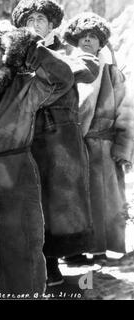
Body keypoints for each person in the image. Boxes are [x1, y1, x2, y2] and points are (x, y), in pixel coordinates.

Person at [0, 21, 75, 298]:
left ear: (5, 53)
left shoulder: (23, 85)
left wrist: (31, 49)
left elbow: (62, 78)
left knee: (21, 251)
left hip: (15, 177)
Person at [12, 0, 99, 286]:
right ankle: (42, 260)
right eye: (29, 19)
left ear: (52, 24)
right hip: (27, 134)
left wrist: (48, 61)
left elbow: (88, 66)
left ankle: (56, 259)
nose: (35, 24)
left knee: (61, 202)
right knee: (32, 197)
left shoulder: (69, 53)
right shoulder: (16, 57)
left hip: (62, 138)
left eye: (41, 19)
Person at [63, 12, 134, 263]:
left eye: (93, 37)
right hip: (71, 145)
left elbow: (126, 112)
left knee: (104, 200)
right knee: (73, 198)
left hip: (103, 146)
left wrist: (123, 148)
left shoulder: (112, 73)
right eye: (82, 37)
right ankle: (74, 251)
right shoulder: (65, 70)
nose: (87, 41)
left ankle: (101, 248)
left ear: (101, 43)